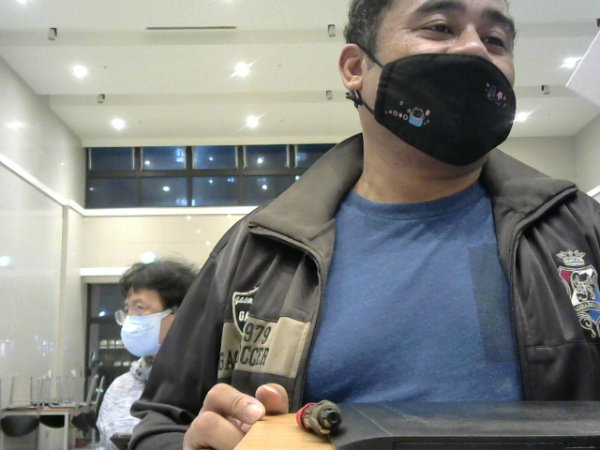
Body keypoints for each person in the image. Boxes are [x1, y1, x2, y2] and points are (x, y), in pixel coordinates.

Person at [130, 0, 600, 449]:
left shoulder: (579, 231)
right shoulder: (256, 249)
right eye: (440, 27)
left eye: (496, 39)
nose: (476, 48)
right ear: (355, 68)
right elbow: (161, 422)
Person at [95, 258, 197, 449]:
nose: (130, 319)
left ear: (180, 315)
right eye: (128, 310)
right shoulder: (119, 388)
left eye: (140, 308)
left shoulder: (206, 386)